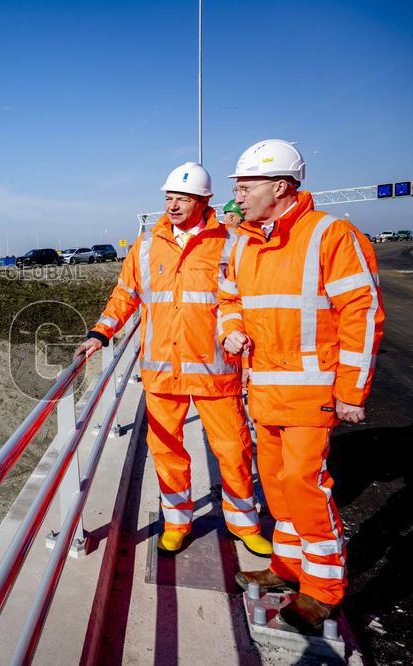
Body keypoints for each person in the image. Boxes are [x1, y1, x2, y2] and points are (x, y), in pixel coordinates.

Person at [219, 139, 384, 633]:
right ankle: (288, 569)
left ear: (282, 187)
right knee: (278, 487)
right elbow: (230, 297)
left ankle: (324, 590)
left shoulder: (330, 235)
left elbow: (362, 312)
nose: (238, 196)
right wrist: (231, 328)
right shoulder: (244, 242)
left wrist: (351, 392)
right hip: (265, 392)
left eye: (246, 186)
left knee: (304, 487)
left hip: (311, 392)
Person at [76, 162, 272, 556]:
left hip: (216, 370)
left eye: (183, 198)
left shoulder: (229, 241)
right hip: (162, 371)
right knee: (167, 452)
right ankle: (177, 522)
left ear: (204, 201)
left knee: (233, 449)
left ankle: (244, 524)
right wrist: (101, 332)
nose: (174, 205)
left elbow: (245, 300)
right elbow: (125, 296)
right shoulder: (147, 244)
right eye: (169, 198)